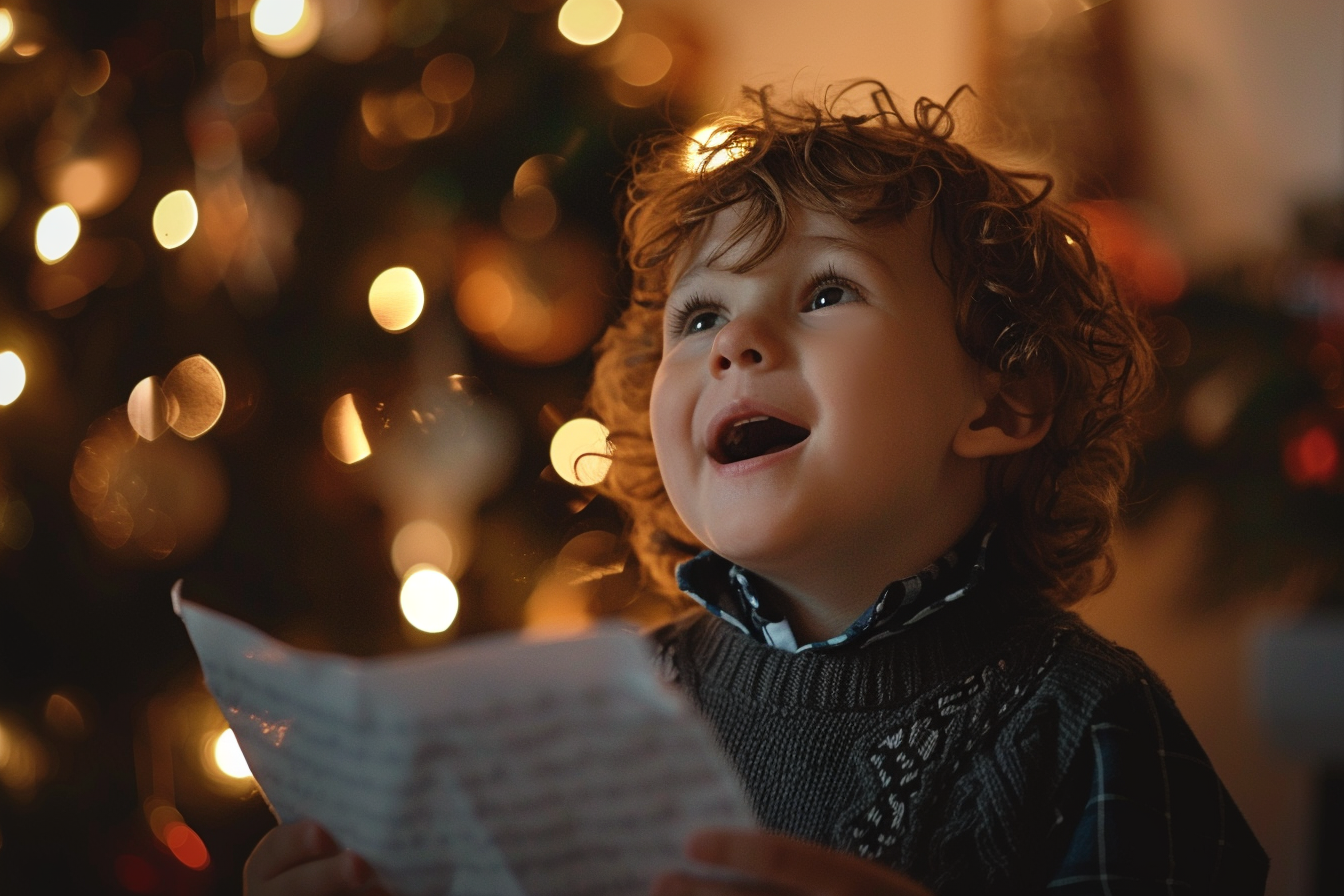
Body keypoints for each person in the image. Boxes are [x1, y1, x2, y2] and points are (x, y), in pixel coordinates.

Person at [245, 83, 1269, 896]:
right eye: (698, 318)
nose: (735, 343)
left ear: (1002, 401)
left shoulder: (1089, 721)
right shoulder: (592, 719)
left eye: (828, 290)